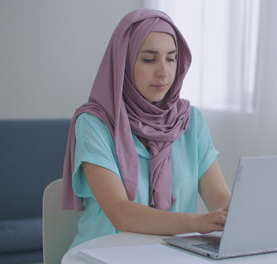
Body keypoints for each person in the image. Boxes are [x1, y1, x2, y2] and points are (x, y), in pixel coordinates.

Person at [61, 8, 231, 248]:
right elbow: (120, 212)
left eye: (171, 58)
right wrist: (198, 222)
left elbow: (220, 198)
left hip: (171, 255)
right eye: (149, 59)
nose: (164, 72)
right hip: (103, 254)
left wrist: (246, 216)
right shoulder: (94, 123)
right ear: (123, 63)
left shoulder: (190, 120)